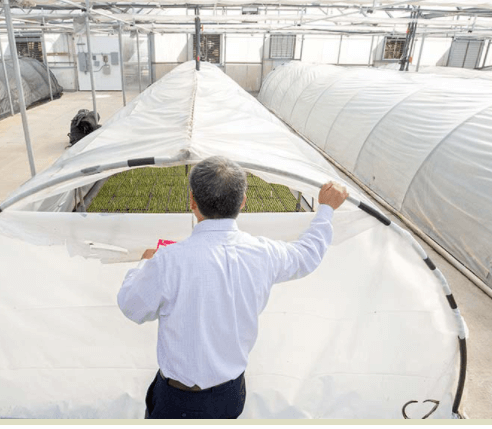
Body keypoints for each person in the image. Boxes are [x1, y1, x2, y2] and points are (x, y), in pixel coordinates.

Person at [117, 156, 349, 419]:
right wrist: (326, 209)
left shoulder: (168, 261)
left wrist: (143, 265)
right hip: (231, 394)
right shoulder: (263, 253)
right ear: (242, 201)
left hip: (179, 400)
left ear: (192, 201)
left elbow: (131, 306)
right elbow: (307, 255)